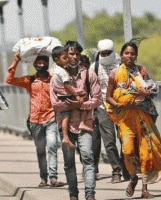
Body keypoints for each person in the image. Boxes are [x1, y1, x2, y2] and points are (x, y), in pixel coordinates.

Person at [105, 39, 161, 198]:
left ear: (136, 56)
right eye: (126, 53)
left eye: (132, 53)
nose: (129, 56)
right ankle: (133, 178)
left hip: (142, 116)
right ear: (121, 55)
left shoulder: (141, 71)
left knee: (146, 150)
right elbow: (108, 97)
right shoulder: (114, 73)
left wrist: (146, 93)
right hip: (125, 119)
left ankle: (145, 189)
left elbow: (151, 91)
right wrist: (120, 104)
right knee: (128, 150)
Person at [50, 40, 102, 200]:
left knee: (87, 157)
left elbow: (98, 98)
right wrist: (72, 105)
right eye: (71, 54)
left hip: (84, 123)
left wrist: (82, 104)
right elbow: (55, 103)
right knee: (69, 162)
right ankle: (73, 194)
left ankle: (90, 193)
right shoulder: (57, 76)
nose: (74, 57)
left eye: (77, 54)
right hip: (65, 125)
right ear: (65, 55)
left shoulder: (88, 74)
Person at [6, 52, 65, 188]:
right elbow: (9, 80)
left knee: (52, 145)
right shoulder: (30, 80)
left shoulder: (53, 79)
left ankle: (53, 178)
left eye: (44, 62)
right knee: (40, 150)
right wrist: (15, 62)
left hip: (51, 118)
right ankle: (43, 178)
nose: (42, 64)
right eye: (39, 62)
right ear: (34, 64)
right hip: (35, 121)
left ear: (48, 64)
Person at [89, 39, 130, 183]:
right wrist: (93, 111)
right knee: (109, 141)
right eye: (103, 53)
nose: (105, 56)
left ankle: (127, 168)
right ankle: (116, 171)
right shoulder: (94, 67)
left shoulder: (121, 65)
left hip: (121, 107)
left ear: (113, 51)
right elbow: (91, 90)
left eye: (108, 53)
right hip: (102, 108)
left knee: (125, 139)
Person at [51, 46, 91, 149]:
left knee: (67, 115)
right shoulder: (62, 71)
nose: (69, 59)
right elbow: (67, 86)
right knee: (68, 115)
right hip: (65, 96)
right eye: (66, 57)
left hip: (63, 95)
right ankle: (65, 137)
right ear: (57, 59)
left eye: (77, 54)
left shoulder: (56, 69)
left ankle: (77, 126)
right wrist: (76, 95)